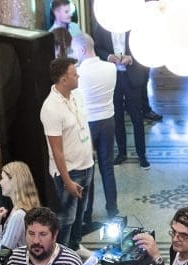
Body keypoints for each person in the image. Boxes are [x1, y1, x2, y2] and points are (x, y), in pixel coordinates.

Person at [40, 57, 95, 251]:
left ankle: (76, 246)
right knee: (66, 219)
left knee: (80, 213)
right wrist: (67, 181)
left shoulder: (77, 95)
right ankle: (61, 256)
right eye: (74, 74)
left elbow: (84, 126)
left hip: (87, 165)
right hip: (70, 172)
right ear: (63, 80)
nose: (78, 76)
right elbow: (56, 150)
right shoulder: (50, 108)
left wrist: (90, 152)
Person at [71, 34, 120, 227]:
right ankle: (112, 208)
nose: (74, 54)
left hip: (88, 124)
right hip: (108, 121)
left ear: (83, 50)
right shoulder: (111, 67)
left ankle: (87, 213)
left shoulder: (78, 72)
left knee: (87, 169)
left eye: (75, 50)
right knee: (107, 168)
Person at [94, 26, 152, 169]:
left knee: (137, 118)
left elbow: (144, 49)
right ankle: (121, 153)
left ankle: (142, 155)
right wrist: (109, 57)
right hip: (112, 76)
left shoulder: (134, 27)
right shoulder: (103, 26)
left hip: (132, 76)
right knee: (117, 117)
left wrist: (130, 58)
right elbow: (98, 47)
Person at [0, 160, 42, 254]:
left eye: (2, 178)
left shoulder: (18, 215)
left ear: (14, 180)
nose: (0, 182)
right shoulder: (21, 210)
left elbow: (1, 253)